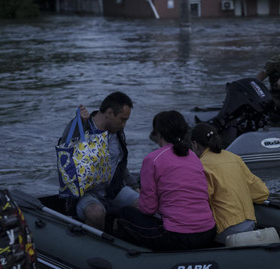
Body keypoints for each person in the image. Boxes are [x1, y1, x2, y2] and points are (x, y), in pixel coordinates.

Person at [116, 111, 217, 251]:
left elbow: (148, 209)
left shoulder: (152, 159)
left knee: (125, 213)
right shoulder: (194, 157)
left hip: (178, 236)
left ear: (158, 133)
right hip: (208, 232)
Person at [58, 91, 139, 230]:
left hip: (113, 190)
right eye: (122, 119)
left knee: (143, 204)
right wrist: (77, 123)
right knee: (96, 213)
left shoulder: (116, 132)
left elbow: (119, 165)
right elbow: (65, 152)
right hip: (85, 194)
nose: (124, 124)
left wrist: (135, 186)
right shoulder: (82, 128)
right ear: (109, 112)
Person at [190, 122, 269, 242]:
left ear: (195, 144)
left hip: (226, 230)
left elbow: (199, 205)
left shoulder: (200, 166)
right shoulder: (234, 158)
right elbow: (262, 193)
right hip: (250, 224)